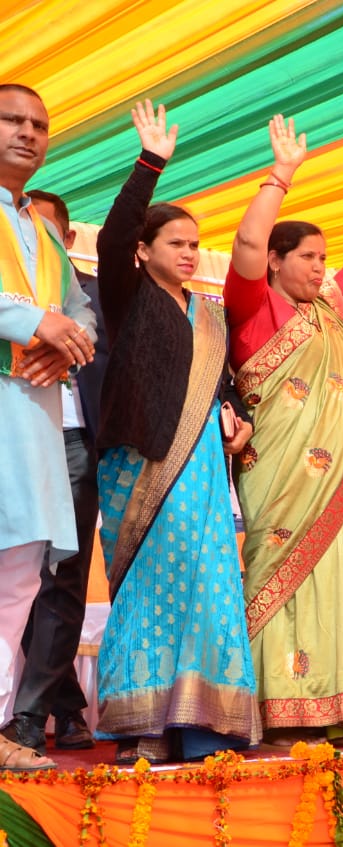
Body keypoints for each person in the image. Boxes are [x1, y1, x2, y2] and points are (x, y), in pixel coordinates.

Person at [86, 102, 259, 763]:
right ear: (144, 250)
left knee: (208, 582)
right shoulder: (129, 295)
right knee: (150, 585)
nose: (189, 254)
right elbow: (110, 239)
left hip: (205, 467)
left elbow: (225, 384)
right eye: (175, 244)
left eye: (193, 245)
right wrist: (149, 164)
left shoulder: (210, 315)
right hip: (143, 463)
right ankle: (144, 724)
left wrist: (238, 418)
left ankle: (204, 724)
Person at [225, 115, 343, 742]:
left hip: (342, 484)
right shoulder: (254, 307)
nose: (321, 268)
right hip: (281, 478)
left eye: (324, 258)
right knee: (284, 582)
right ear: (275, 262)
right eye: (307, 257)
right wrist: (280, 175)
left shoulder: (331, 307)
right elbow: (246, 244)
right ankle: (280, 706)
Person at [0, 83, 95, 772]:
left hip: (34, 419)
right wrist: (39, 323)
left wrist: (65, 340)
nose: (28, 132)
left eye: (38, 124)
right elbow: (50, 314)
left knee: (19, 578)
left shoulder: (41, 227)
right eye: (12, 119)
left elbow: (80, 310)